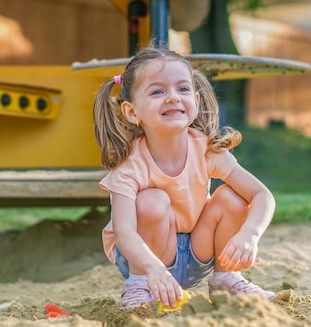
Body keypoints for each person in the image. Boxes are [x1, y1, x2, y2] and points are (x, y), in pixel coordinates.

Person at [92, 45, 276, 309]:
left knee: (233, 197)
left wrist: (249, 234)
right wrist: (151, 268)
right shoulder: (130, 165)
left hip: (195, 254)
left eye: (182, 89)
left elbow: (262, 195)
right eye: (157, 91)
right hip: (145, 261)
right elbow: (124, 233)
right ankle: (138, 285)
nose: (172, 98)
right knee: (151, 201)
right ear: (132, 112)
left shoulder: (206, 149)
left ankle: (226, 279)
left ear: (196, 102)